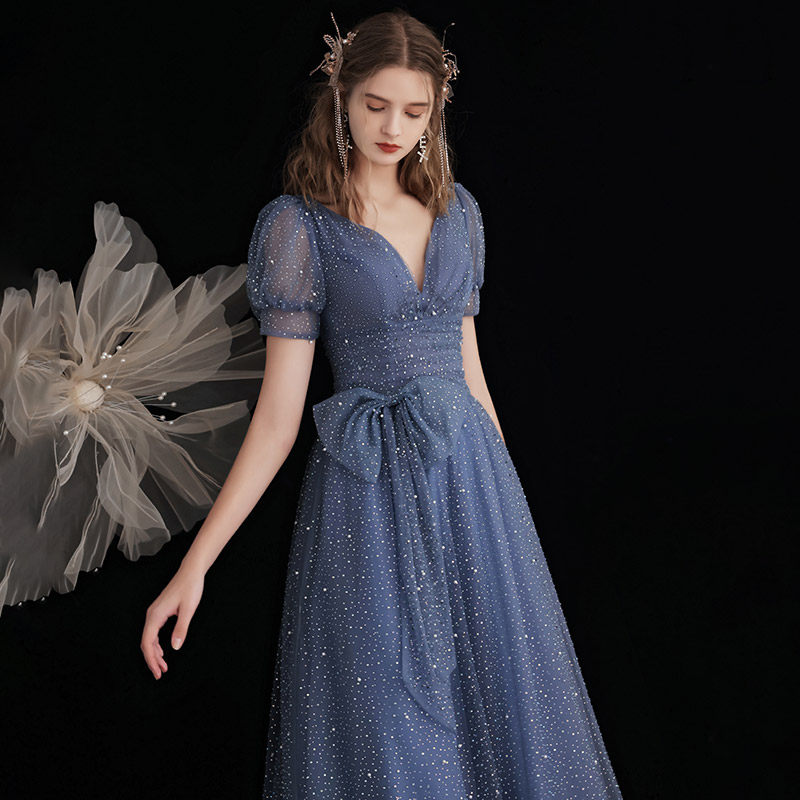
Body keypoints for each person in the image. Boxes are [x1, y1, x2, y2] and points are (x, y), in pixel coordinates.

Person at [141, 10, 624, 799]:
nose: (394, 128)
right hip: (367, 502)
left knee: (505, 714)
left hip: (471, 492)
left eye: (414, 111)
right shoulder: (298, 228)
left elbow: (473, 380)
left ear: (436, 112)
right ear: (340, 95)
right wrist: (195, 567)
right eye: (375, 106)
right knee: (390, 727)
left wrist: (512, 527)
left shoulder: (459, 214)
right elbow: (278, 419)